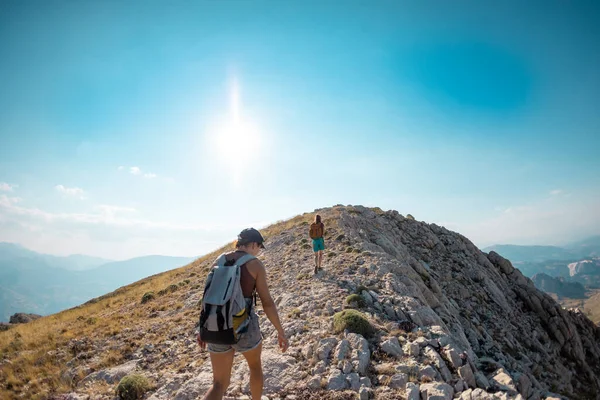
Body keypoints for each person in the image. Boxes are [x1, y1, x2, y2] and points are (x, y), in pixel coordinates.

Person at [197, 228, 289, 400]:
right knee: (254, 368)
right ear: (253, 244)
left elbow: (208, 296)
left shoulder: (220, 260)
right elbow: (267, 302)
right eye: (259, 247)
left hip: (216, 324)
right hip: (244, 326)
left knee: (218, 384)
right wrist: (280, 331)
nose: (259, 251)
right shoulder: (255, 265)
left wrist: (202, 328)